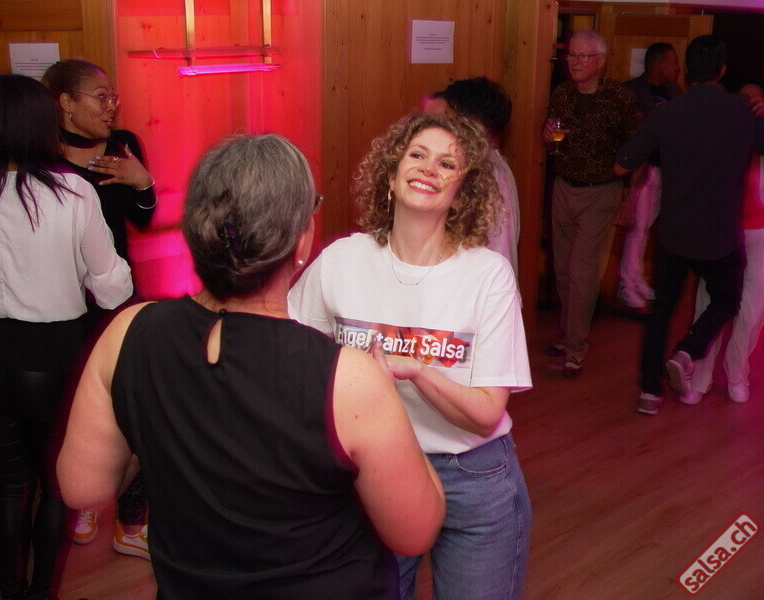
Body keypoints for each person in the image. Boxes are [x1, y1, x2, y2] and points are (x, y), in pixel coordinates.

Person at [57, 134, 445, 599]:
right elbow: (414, 533)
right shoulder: (351, 379)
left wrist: (155, 420)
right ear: (302, 241)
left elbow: (83, 488)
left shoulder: (127, 333)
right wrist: (392, 410)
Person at [289, 113, 532, 600]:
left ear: (461, 193)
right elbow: (293, 355)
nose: (428, 168)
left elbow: (487, 413)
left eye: (447, 164)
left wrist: (415, 371)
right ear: (391, 174)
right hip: (373, 470)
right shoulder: (342, 260)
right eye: (417, 155)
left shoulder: (488, 275)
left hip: (472, 478)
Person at [0, 74, 132, 600]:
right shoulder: (72, 193)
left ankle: (10, 592)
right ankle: (41, 591)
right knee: (55, 483)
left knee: (10, 485)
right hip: (51, 357)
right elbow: (113, 288)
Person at [614, 35, 764, 415]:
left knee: (662, 311)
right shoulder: (743, 113)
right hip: (720, 235)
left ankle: (650, 393)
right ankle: (687, 351)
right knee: (727, 299)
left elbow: (621, 164)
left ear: (686, 69)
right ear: (722, 70)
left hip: (675, 233)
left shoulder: (667, 112)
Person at [42, 58, 154, 558]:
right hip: (64, 304)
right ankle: (83, 498)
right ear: (66, 102)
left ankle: (130, 519)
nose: (111, 106)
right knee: (76, 407)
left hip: (118, 296)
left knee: (135, 404)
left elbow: (143, 220)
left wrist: (142, 182)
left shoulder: (124, 144)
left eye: (114, 97)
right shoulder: (41, 155)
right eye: (100, 96)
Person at [542, 29, 638, 377]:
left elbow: (636, 149)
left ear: (601, 61)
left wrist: (628, 196)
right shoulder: (562, 94)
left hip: (600, 192)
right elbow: (554, 143)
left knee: (583, 272)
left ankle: (576, 348)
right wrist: (549, 138)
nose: (575, 62)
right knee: (563, 270)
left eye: (583, 56)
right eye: (571, 55)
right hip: (563, 187)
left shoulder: (619, 97)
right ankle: (569, 334)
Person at [685, 81, 764, 405]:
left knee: (752, 310)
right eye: (744, 99)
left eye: (756, 100)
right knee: (708, 304)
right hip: (721, 232)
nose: (750, 105)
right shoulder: (723, 132)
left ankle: (737, 373)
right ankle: (699, 378)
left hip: (759, 233)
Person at [617, 43, 681, 308]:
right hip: (639, 171)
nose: (677, 68)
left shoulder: (674, 93)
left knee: (645, 228)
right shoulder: (630, 91)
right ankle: (626, 284)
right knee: (637, 228)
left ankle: (636, 276)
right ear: (657, 63)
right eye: (672, 62)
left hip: (662, 169)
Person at [440, 77, 520, 278]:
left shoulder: (490, 176)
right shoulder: (477, 165)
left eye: (450, 118)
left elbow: (501, 249)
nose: (444, 125)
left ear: (472, 125)